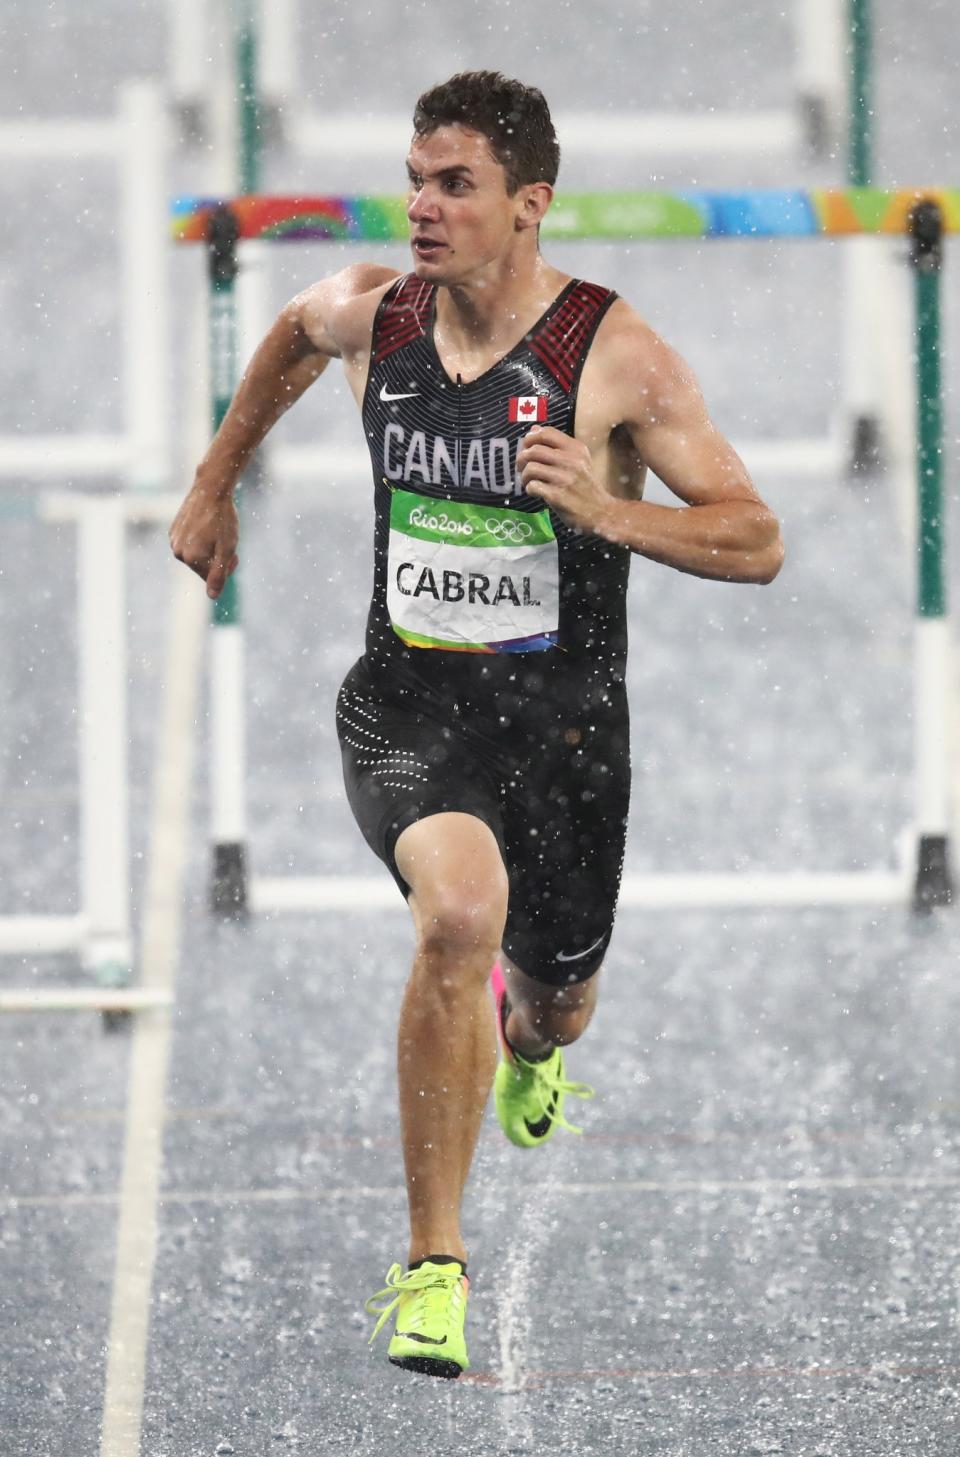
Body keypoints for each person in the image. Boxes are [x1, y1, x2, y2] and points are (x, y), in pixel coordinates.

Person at [170, 70, 784, 1380]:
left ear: (528, 206)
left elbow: (755, 536)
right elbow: (288, 335)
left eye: (456, 186)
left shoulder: (614, 357)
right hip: (410, 707)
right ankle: (433, 1266)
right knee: (456, 914)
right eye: (416, 179)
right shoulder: (377, 318)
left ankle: (530, 1040)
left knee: (557, 996)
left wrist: (610, 512)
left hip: (566, 735)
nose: (423, 208)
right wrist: (217, 484)